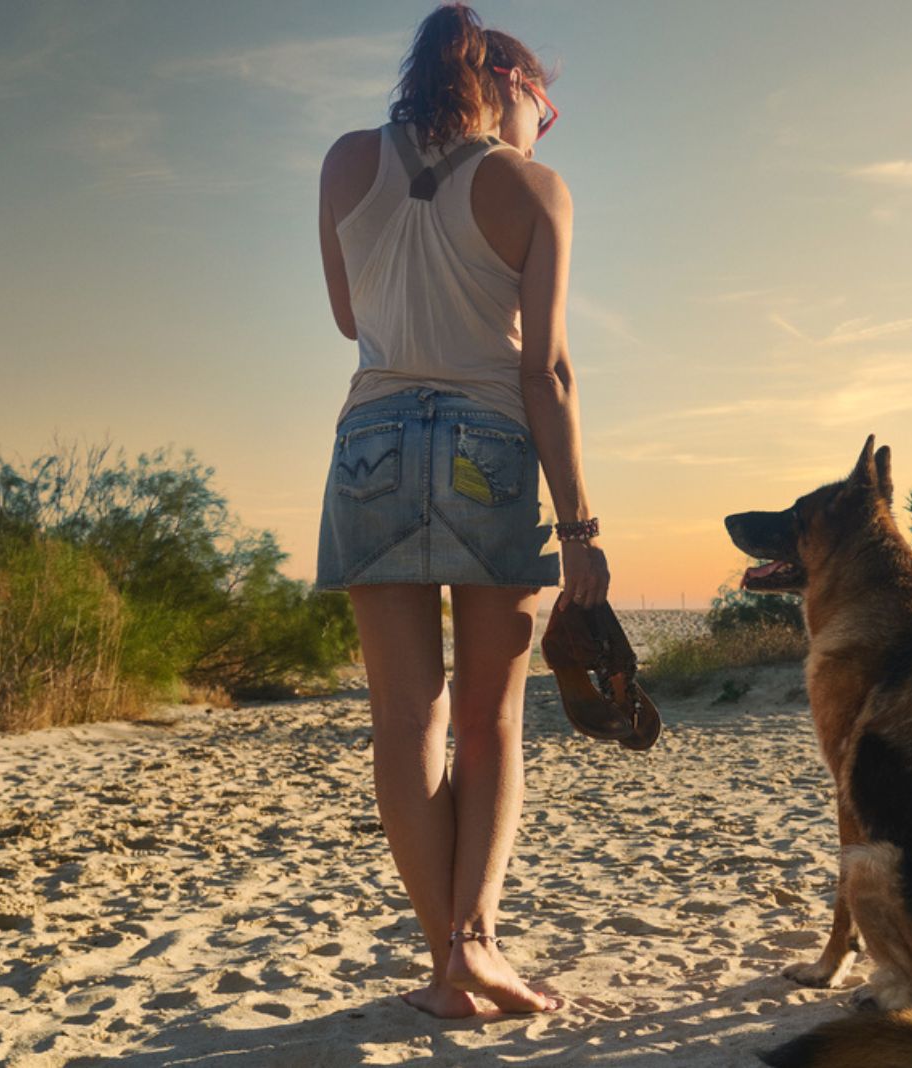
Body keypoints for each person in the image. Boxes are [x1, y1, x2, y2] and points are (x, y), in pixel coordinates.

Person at [314, 1, 607, 1018]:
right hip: (489, 440)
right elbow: (549, 373)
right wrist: (580, 531)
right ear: (509, 87)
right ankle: (474, 944)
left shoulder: (346, 161)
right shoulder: (533, 187)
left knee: (406, 718)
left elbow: (351, 314)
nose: (549, 124)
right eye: (545, 104)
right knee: (490, 721)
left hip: (373, 441)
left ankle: (449, 959)